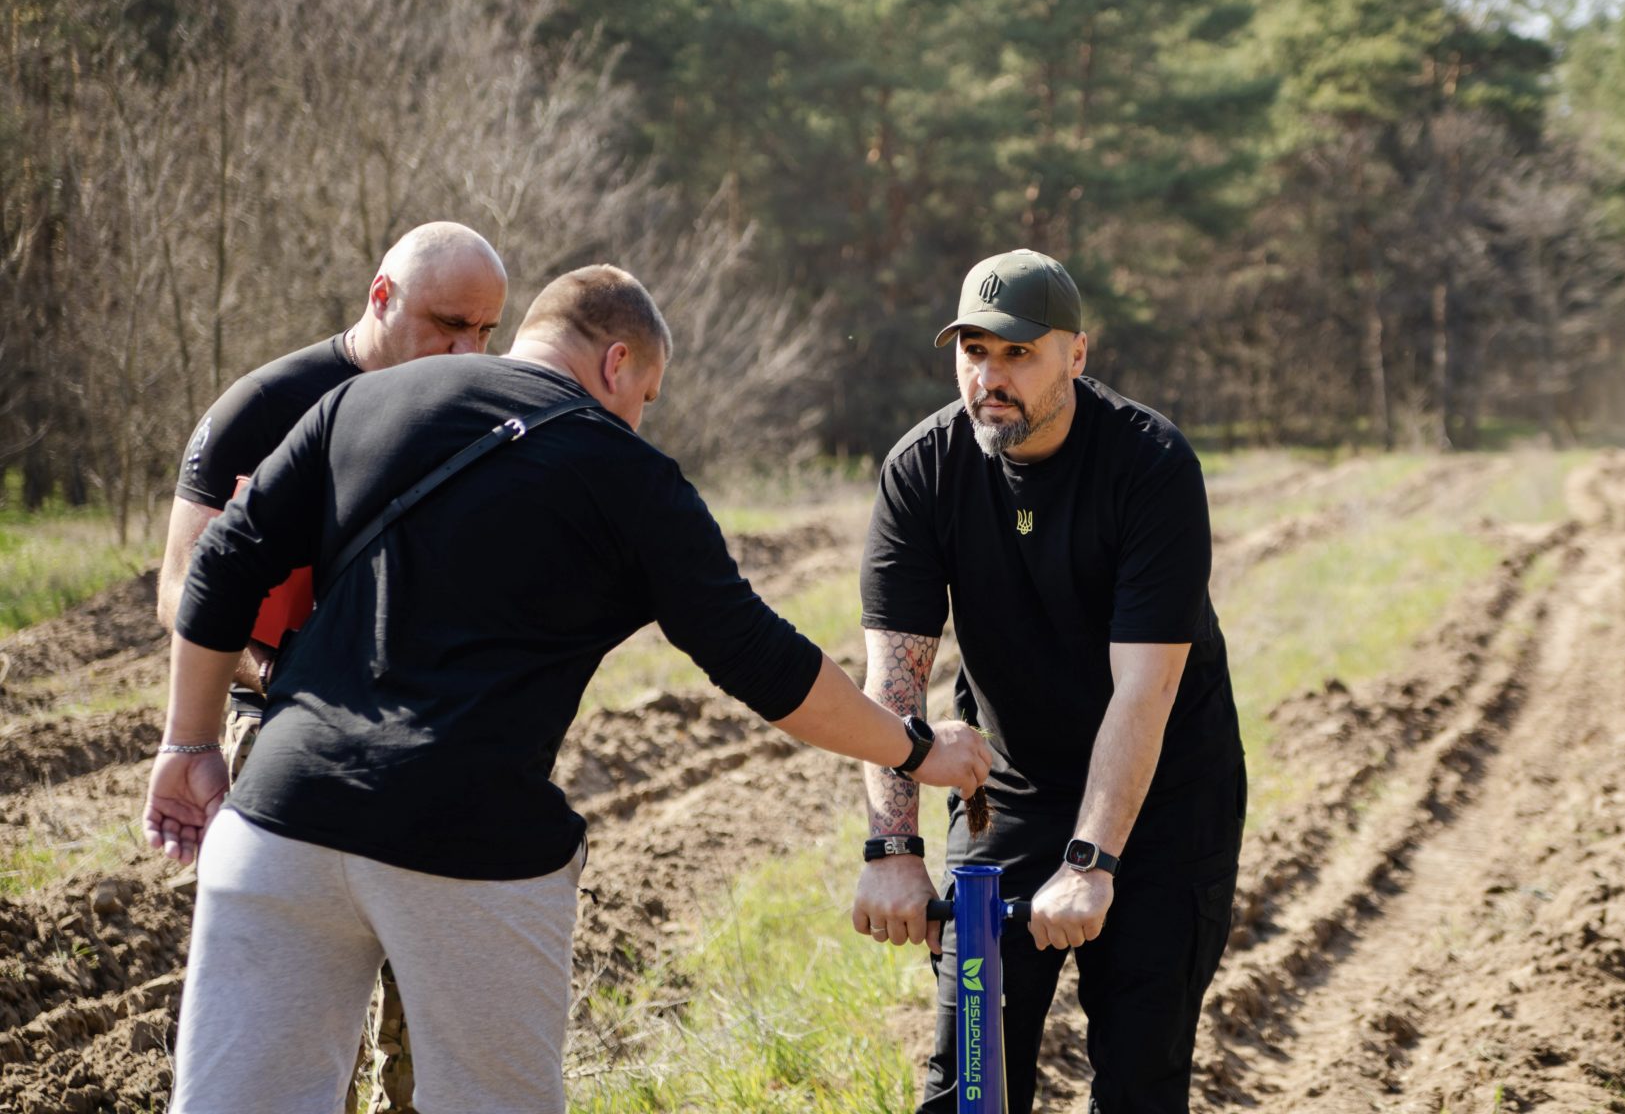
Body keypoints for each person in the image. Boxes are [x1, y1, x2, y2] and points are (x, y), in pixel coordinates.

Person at [143, 265, 993, 1114]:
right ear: (617, 362)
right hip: (469, 849)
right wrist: (916, 750)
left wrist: (188, 745)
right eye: (648, 395)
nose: (639, 415)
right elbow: (762, 662)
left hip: (277, 818)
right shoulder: (630, 478)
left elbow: (220, 563)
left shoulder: (361, 402)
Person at [852, 250, 1245, 1113]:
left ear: (1077, 354)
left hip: (1167, 797)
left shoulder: (1150, 466)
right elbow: (894, 685)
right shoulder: (924, 468)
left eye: (1018, 354)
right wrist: (893, 848)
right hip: (1012, 791)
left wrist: (1093, 860)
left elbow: (1143, 692)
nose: (990, 377)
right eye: (973, 352)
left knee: (1141, 1080)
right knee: (969, 1084)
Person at [155, 220, 508, 1114]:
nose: (466, 350)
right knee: (293, 1023)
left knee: (437, 1022)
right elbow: (180, 592)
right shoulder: (267, 407)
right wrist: (287, 680)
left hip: (436, 734)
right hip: (283, 726)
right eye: (446, 324)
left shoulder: (480, 410)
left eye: (485, 333)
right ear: (380, 297)